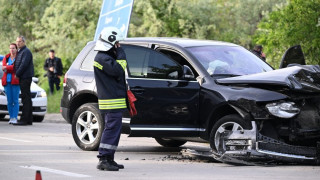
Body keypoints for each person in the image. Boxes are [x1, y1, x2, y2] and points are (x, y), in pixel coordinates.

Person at [93, 27, 127, 171]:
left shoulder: (106, 57)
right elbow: (119, 71)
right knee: (111, 129)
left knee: (114, 130)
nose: (119, 45)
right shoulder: (102, 58)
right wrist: (121, 53)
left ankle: (109, 158)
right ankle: (103, 159)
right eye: (117, 43)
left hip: (114, 100)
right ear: (111, 41)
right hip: (111, 101)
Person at [12, 35, 34, 126]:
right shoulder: (20, 51)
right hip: (23, 77)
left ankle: (24, 120)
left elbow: (23, 64)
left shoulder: (26, 52)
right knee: (27, 98)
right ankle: (29, 119)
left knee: (25, 98)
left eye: (20, 41)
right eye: (17, 41)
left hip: (25, 77)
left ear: (24, 42)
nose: (18, 43)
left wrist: (17, 74)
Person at [1, 43, 20, 124]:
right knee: (9, 101)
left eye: (13, 48)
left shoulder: (19, 57)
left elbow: (16, 67)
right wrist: (10, 67)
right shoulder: (6, 57)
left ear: (16, 49)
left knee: (15, 100)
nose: (12, 50)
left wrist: (7, 68)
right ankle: (11, 117)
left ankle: (15, 118)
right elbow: (3, 68)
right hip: (7, 82)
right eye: (10, 48)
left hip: (15, 81)